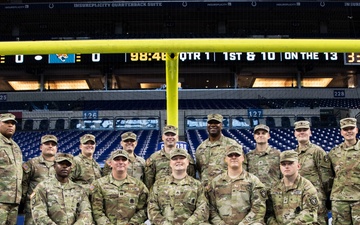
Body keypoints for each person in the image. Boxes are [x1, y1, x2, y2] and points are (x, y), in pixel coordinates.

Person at [207, 144, 267, 225]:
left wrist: (243, 223)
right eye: (230, 155)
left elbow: (258, 209)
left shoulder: (253, 181)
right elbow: (211, 208)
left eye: (237, 155)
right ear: (225, 159)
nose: (234, 157)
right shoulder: (216, 182)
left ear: (243, 158)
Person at [148, 148, 210, 225]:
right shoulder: (158, 185)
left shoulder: (198, 185)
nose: (178, 161)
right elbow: (152, 208)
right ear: (170, 163)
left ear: (187, 162)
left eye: (181, 158)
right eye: (175, 159)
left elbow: (202, 209)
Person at [30, 153, 93, 224]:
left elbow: (86, 214)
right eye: (61, 164)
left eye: (68, 164)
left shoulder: (79, 190)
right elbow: (39, 214)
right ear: (54, 166)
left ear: (71, 167)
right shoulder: (42, 187)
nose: (65, 166)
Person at [90, 150, 148, 224]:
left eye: (124, 159)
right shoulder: (98, 185)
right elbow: (97, 211)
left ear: (128, 163)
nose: (120, 162)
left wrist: (133, 223)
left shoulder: (139, 186)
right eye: (117, 159)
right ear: (110, 163)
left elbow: (145, 209)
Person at [293, 120, 333, 224]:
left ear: (310, 132)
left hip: (316, 199)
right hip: (298, 199)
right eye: (299, 130)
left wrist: (326, 197)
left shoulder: (317, 151)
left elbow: (327, 178)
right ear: (295, 133)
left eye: (305, 130)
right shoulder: (293, 154)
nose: (302, 132)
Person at [267, 150, 319, 225]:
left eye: (290, 163)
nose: (286, 166)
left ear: (298, 166)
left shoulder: (307, 187)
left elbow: (310, 213)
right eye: (283, 164)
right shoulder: (274, 188)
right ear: (280, 167)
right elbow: (269, 214)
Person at [196, 113, 246, 186]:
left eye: (216, 122)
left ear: (221, 125)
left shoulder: (232, 145)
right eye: (210, 123)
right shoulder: (200, 148)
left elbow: (242, 169)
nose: (213, 125)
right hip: (206, 193)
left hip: (226, 192)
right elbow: (200, 171)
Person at [328, 117, 360, 225]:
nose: (349, 131)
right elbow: (329, 176)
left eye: (351, 128)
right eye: (346, 129)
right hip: (339, 200)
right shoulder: (333, 153)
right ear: (341, 132)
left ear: (356, 130)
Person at [22, 134, 58, 225]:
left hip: (56, 208)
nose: (50, 146)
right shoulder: (32, 163)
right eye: (47, 144)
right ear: (41, 147)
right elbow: (24, 184)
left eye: (53, 144)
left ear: (56, 148)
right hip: (34, 208)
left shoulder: (61, 165)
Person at [144, 125, 196, 189]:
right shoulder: (154, 158)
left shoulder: (186, 157)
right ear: (163, 137)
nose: (170, 137)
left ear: (177, 137)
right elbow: (149, 183)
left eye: (173, 135)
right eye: (167, 135)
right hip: (161, 195)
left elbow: (192, 179)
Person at [0, 113, 23, 225]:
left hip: (13, 200)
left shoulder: (15, 146)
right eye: (6, 123)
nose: (10, 126)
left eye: (13, 123)